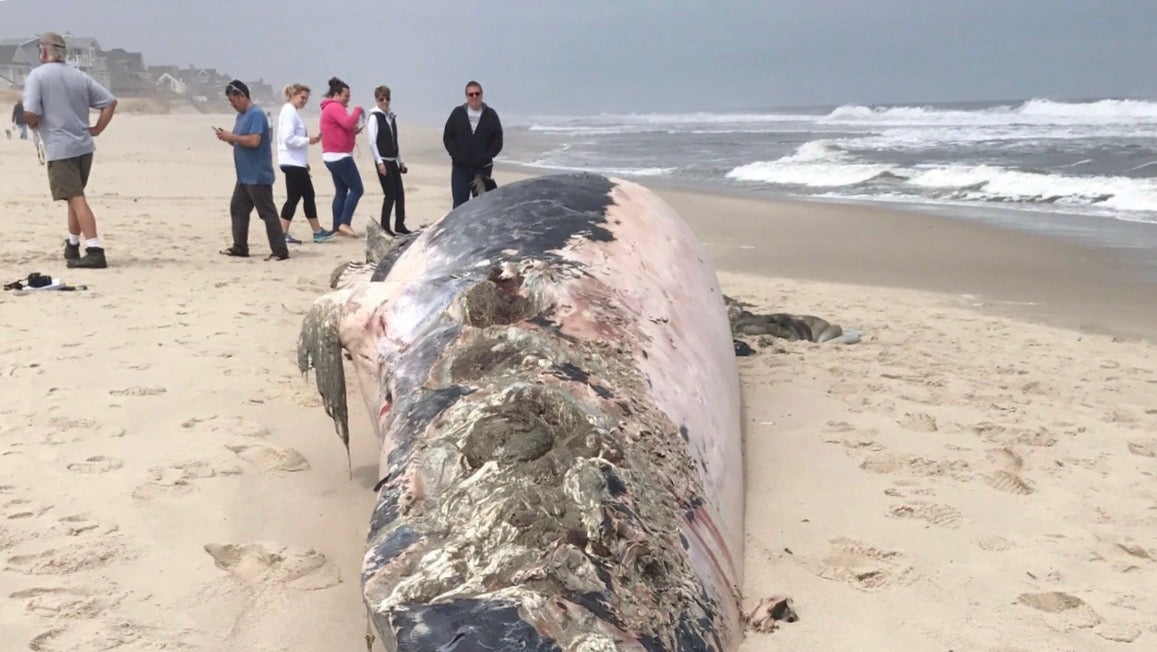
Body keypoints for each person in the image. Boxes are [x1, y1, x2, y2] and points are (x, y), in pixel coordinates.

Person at [21, 32, 117, 269]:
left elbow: (31, 112)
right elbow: (109, 102)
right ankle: (73, 245)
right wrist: (96, 129)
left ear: (44, 52)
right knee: (74, 198)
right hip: (84, 146)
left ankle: (95, 249)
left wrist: (33, 123)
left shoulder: (37, 76)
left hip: (60, 147)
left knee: (76, 197)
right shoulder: (78, 75)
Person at [215, 80, 289, 261]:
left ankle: (280, 251)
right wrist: (227, 137)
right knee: (238, 209)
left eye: (234, 101)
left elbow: (254, 141)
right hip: (244, 176)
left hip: (257, 175)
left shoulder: (256, 114)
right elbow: (238, 139)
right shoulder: (241, 116)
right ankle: (240, 247)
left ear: (242, 96)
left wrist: (232, 137)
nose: (233, 105)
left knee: (267, 213)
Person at [277, 83, 333, 244]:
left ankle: (287, 232)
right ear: (293, 95)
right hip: (292, 163)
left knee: (298, 197)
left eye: (306, 99)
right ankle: (316, 232)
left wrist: (304, 161)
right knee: (304, 196)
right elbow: (288, 139)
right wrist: (310, 140)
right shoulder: (289, 112)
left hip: (295, 162)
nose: (304, 101)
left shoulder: (290, 112)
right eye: (302, 97)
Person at [442, 80, 503, 208]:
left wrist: (487, 156)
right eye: (471, 94)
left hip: (482, 170)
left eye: (477, 93)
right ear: (466, 96)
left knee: (483, 206)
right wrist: (456, 156)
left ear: (481, 95)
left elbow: (498, 139)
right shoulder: (458, 113)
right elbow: (448, 137)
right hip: (461, 169)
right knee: (459, 206)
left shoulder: (491, 114)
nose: (474, 97)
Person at [318, 77, 365, 238]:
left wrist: (354, 131)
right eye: (346, 96)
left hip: (331, 156)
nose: (348, 100)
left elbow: (342, 128)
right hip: (339, 156)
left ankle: (337, 225)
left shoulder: (330, 108)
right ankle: (345, 222)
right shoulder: (334, 107)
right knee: (357, 189)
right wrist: (358, 110)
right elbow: (347, 122)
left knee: (341, 191)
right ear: (337, 94)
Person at [368, 85, 410, 236]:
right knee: (390, 193)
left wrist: (401, 161)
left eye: (387, 98)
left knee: (400, 193)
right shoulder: (374, 117)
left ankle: (400, 224)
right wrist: (379, 162)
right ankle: (385, 226)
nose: (385, 101)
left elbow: (395, 141)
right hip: (383, 160)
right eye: (381, 99)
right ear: (377, 100)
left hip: (393, 159)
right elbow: (372, 142)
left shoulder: (390, 117)